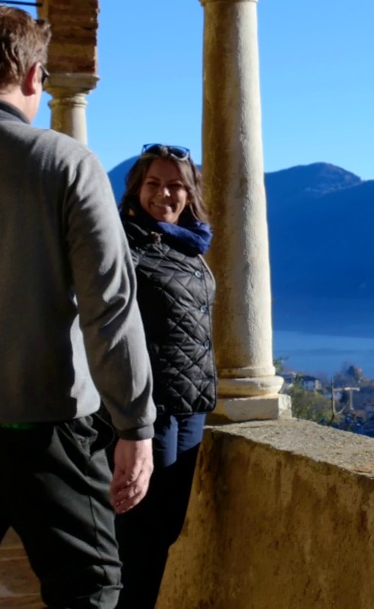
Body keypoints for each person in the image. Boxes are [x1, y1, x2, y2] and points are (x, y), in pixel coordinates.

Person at [0, 4, 156, 607]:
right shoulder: (64, 162)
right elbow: (110, 305)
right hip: (42, 424)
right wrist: (135, 425)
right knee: (89, 588)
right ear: (33, 77)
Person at [114, 144, 216, 609]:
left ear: (189, 193)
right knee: (141, 531)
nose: (164, 194)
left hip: (190, 404)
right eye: (153, 184)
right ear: (137, 190)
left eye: (175, 184)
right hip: (149, 406)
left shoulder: (189, 245)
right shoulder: (124, 241)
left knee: (165, 528)